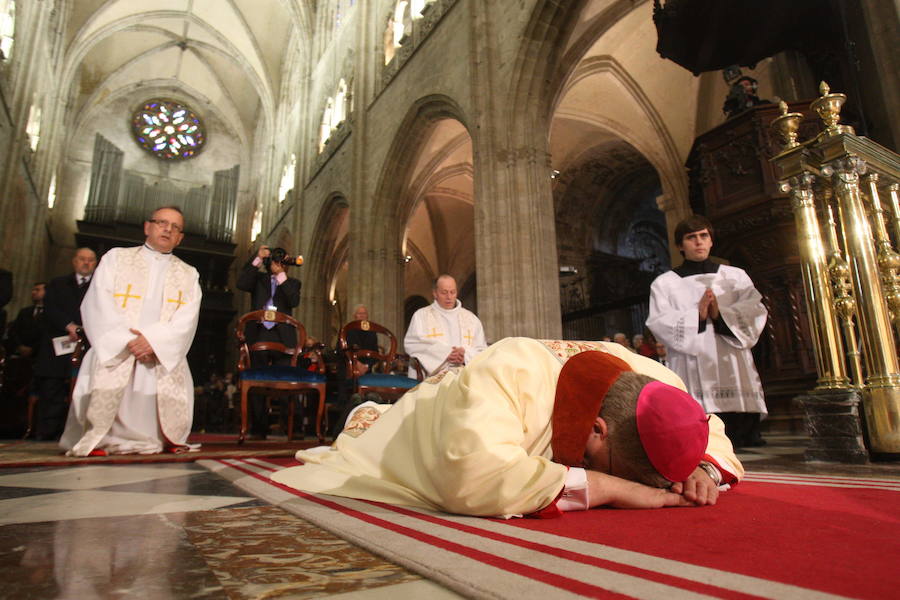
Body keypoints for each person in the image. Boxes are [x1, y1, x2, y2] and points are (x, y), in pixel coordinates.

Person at [272, 337, 742, 517]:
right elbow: (470, 473)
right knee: (369, 429)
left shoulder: (659, 381)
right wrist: (605, 486)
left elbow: (710, 428)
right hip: (437, 413)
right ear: (598, 430)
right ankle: (364, 412)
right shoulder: (510, 368)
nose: (653, 488)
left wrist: (699, 464)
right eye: (624, 468)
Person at [59, 207, 201, 455]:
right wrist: (128, 341)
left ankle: (156, 437)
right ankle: (102, 437)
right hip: (117, 347)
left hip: (159, 353)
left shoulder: (189, 273)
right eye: (162, 223)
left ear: (180, 237)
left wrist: (154, 342)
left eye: (175, 227)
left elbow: (187, 319)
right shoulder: (116, 258)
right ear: (148, 227)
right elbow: (98, 301)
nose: (167, 229)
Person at [646, 215, 768, 448]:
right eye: (691, 238)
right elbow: (659, 320)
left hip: (730, 351)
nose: (699, 242)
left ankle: (744, 432)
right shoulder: (665, 283)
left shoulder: (735, 276)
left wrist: (720, 315)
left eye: (704, 236)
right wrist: (697, 315)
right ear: (681, 246)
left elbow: (755, 309)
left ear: (711, 241)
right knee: (699, 427)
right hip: (692, 356)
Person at [236, 244, 302, 439]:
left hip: (283, 338)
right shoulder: (259, 280)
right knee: (257, 383)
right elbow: (242, 283)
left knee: (286, 382)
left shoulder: (292, 282)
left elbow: (294, 301)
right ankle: (259, 428)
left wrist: (281, 275)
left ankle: (293, 427)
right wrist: (258, 257)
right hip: (259, 335)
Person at [33, 248, 97, 441]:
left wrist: (86, 329)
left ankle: (80, 434)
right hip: (59, 344)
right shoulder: (57, 283)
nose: (86, 263)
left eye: (91, 260)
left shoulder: (99, 285)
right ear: (74, 261)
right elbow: (50, 309)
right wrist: (69, 326)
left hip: (89, 344)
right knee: (53, 389)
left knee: (85, 390)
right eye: (82, 259)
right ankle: (47, 433)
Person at [404, 274, 487, 377]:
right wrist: (444, 354)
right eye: (444, 292)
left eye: (453, 292)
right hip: (432, 378)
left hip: (464, 375)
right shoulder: (421, 316)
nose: (449, 297)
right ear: (435, 293)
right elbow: (412, 344)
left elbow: (482, 351)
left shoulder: (471, 319)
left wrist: (465, 355)